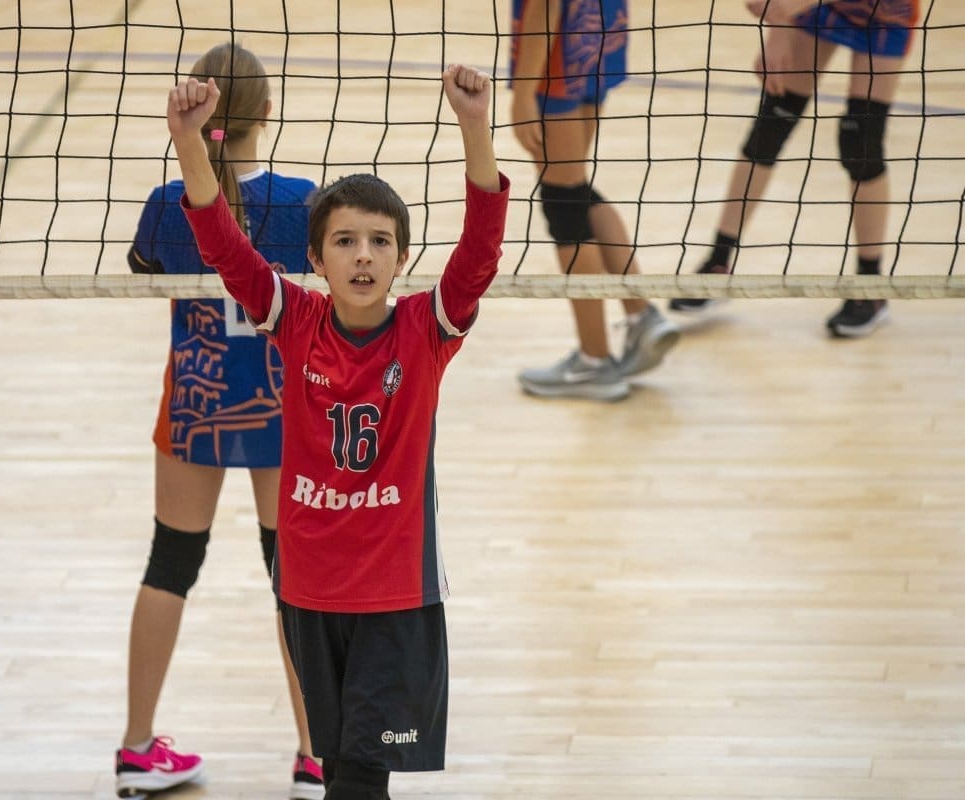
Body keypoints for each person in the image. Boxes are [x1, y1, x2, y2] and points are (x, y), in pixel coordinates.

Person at [167, 62, 508, 800]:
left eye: (380, 242)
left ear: (402, 258)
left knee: (360, 778)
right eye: (345, 241)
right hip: (310, 589)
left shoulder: (426, 328)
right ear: (315, 259)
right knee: (338, 772)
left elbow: (481, 252)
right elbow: (223, 246)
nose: (363, 255)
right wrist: (191, 142)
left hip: (397, 596)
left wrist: (475, 125)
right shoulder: (295, 321)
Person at [116, 42, 324, 800]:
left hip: (197, 403)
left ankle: (137, 748)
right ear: (266, 113)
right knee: (294, 578)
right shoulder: (304, 203)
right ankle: (317, 759)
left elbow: (146, 270)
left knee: (170, 564)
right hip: (283, 406)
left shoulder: (167, 205)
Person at [670, 0, 920, 337]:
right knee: (773, 122)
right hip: (820, 7)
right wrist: (778, 28)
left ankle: (870, 287)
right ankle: (718, 262)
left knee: (861, 142)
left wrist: (781, 13)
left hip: (885, 12)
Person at [509, 0, 680, 401]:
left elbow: (545, 6)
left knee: (563, 200)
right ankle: (640, 316)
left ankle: (594, 360)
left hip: (557, 49)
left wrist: (523, 92)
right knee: (573, 189)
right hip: (596, 28)